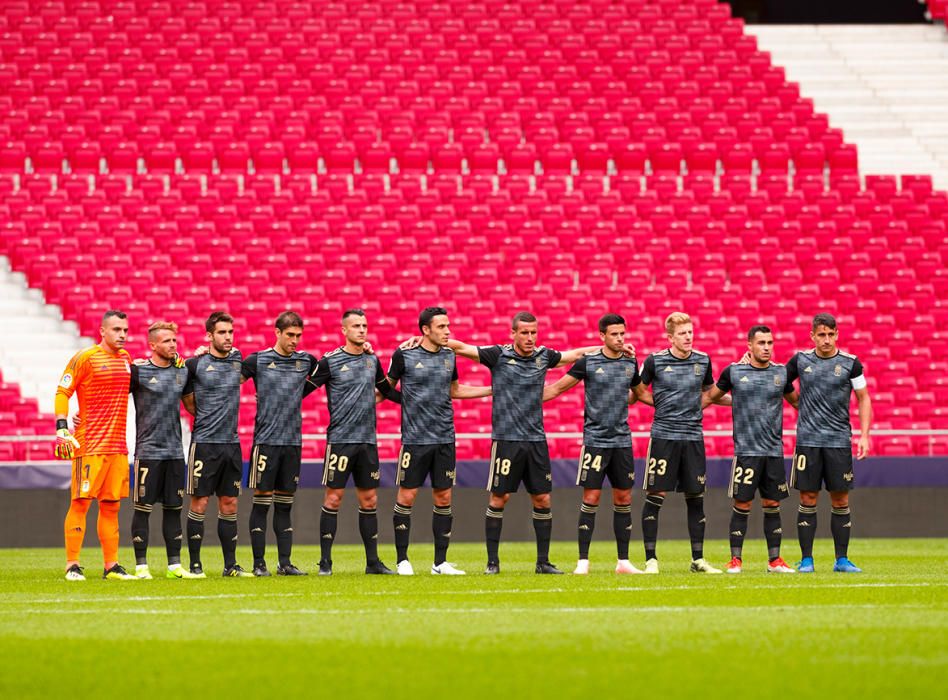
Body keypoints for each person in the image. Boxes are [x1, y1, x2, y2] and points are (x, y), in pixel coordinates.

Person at [418, 311, 616, 575]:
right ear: (513, 333)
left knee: (543, 499)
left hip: (536, 440)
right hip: (506, 440)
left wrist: (608, 347)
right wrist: (420, 340)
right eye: (524, 332)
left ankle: (543, 562)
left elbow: (574, 355)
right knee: (499, 498)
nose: (530, 337)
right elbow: (460, 347)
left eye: (534, 332)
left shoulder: (544, 356)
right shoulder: (498, 355)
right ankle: (492, 562)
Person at [386, 306, 491, 576]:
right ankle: (402, 560)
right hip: (415, 439)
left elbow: (455, 390)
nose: (447, 331)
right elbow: (386, 388)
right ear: (425, 330)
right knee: (407, 496)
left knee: (444, 497)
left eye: (448, 326)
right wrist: (405, 401)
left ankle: (440, 563)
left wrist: (491, 390)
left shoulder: (448, 356)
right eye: (442, 327)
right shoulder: (404, 355)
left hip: (445, 438)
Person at [542, 313, 649, 575]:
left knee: (623, 498)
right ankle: (583, 561)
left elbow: (638, 395)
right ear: (602, 336)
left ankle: (623, 561)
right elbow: (557, 389)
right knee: (591, 497)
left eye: (623, 333)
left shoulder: (629, 362)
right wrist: (522, 399)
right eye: (614, 334)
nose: (620, 338)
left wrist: (673, 405)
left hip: (622, 441)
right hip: (595, 441)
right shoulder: (588, 363)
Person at [306, 308, 402, 575]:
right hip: (340, 442)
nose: (362, 329)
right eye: (356, 326)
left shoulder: (373, 360)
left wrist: (416, 401)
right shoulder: (330, 362)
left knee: (369, 500)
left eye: (364, 325)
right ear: (344, 330)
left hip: (367, 442)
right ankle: (325, 562)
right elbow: (304, 389)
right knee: (334, 498)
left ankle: (372, 562)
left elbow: (387, 391)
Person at [703, 325, 798, 574]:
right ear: (750, 346)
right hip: (746, 451)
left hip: (773, 452)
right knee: (742, 504)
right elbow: (711, 396)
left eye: (770, 343)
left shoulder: (781, 373)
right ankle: (736, 560)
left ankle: (774, 561)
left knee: (772, 504)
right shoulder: (734, 372)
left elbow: (796, 401)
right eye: (761, 343)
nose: (766, 347)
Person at [786, 313, 872, 573]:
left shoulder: (851, 364)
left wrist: (865, 435)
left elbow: (863, 397)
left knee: (840, 499)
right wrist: (797, 402)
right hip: (808, 441)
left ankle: (841, 559)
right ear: (812, 336)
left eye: (830, 334)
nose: (826, 340)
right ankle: (807, 560)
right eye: (821, 335)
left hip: (838, 441)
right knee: (808, 497)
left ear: (837, 334)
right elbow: (779, 382)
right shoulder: (800, 360)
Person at [56, 309, 138, 581]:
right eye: (116, 330)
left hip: (117, 447)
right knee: (80, 503)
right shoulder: (86, 358)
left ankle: (111, 566)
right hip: (89, 444)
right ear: (102, 331)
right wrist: (62, 426)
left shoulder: (126, 359)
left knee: (111, 506)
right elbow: (63, 391)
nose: (122, 335)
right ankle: (72, 565)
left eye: (125, 330)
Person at [637, 312, 722, 574]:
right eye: (683, 333)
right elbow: (639, 391)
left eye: (690, 332)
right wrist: (663, 406)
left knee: (695, 497)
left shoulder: (703, 360)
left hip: (693, 437)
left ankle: (698, 559)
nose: (688, 337)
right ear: (670, 337)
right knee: (655, 495)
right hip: (664, 436)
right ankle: (651, 559)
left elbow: (710, 393)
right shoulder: (655, 361)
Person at [242, 311, 319, 577]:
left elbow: (330, 370)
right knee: (262, 501)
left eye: (298, 336)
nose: (295, 341)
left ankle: (285, 563)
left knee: (285, 504)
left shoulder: (306, 361)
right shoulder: (257, 360)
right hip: (266, 441)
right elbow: (229, 380)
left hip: (292, 443)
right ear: (277, 333)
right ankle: (259, 563)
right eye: (290, 335)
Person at [182, 311, 252, 577]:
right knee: (199, 503)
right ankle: (195, 565)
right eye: (222, 333)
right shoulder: (195, 364)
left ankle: (230, 565)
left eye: (230, 332)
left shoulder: (237, 359)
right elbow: (189, 404)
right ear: (209, 336)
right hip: (205, 444)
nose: (228, 337)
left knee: (230, 504)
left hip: (231, 445)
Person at [128, 321, 198, 579]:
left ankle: (174, 566)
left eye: (174, 341)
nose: (172, 345)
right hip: (148, 451)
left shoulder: (182, 372)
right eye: (167, 341)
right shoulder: (138, 371)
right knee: (143, 508)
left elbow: (192, 407)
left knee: (173, 508)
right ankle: (141, 566)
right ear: (153, 344)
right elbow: (113, 397)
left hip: (175, 452)